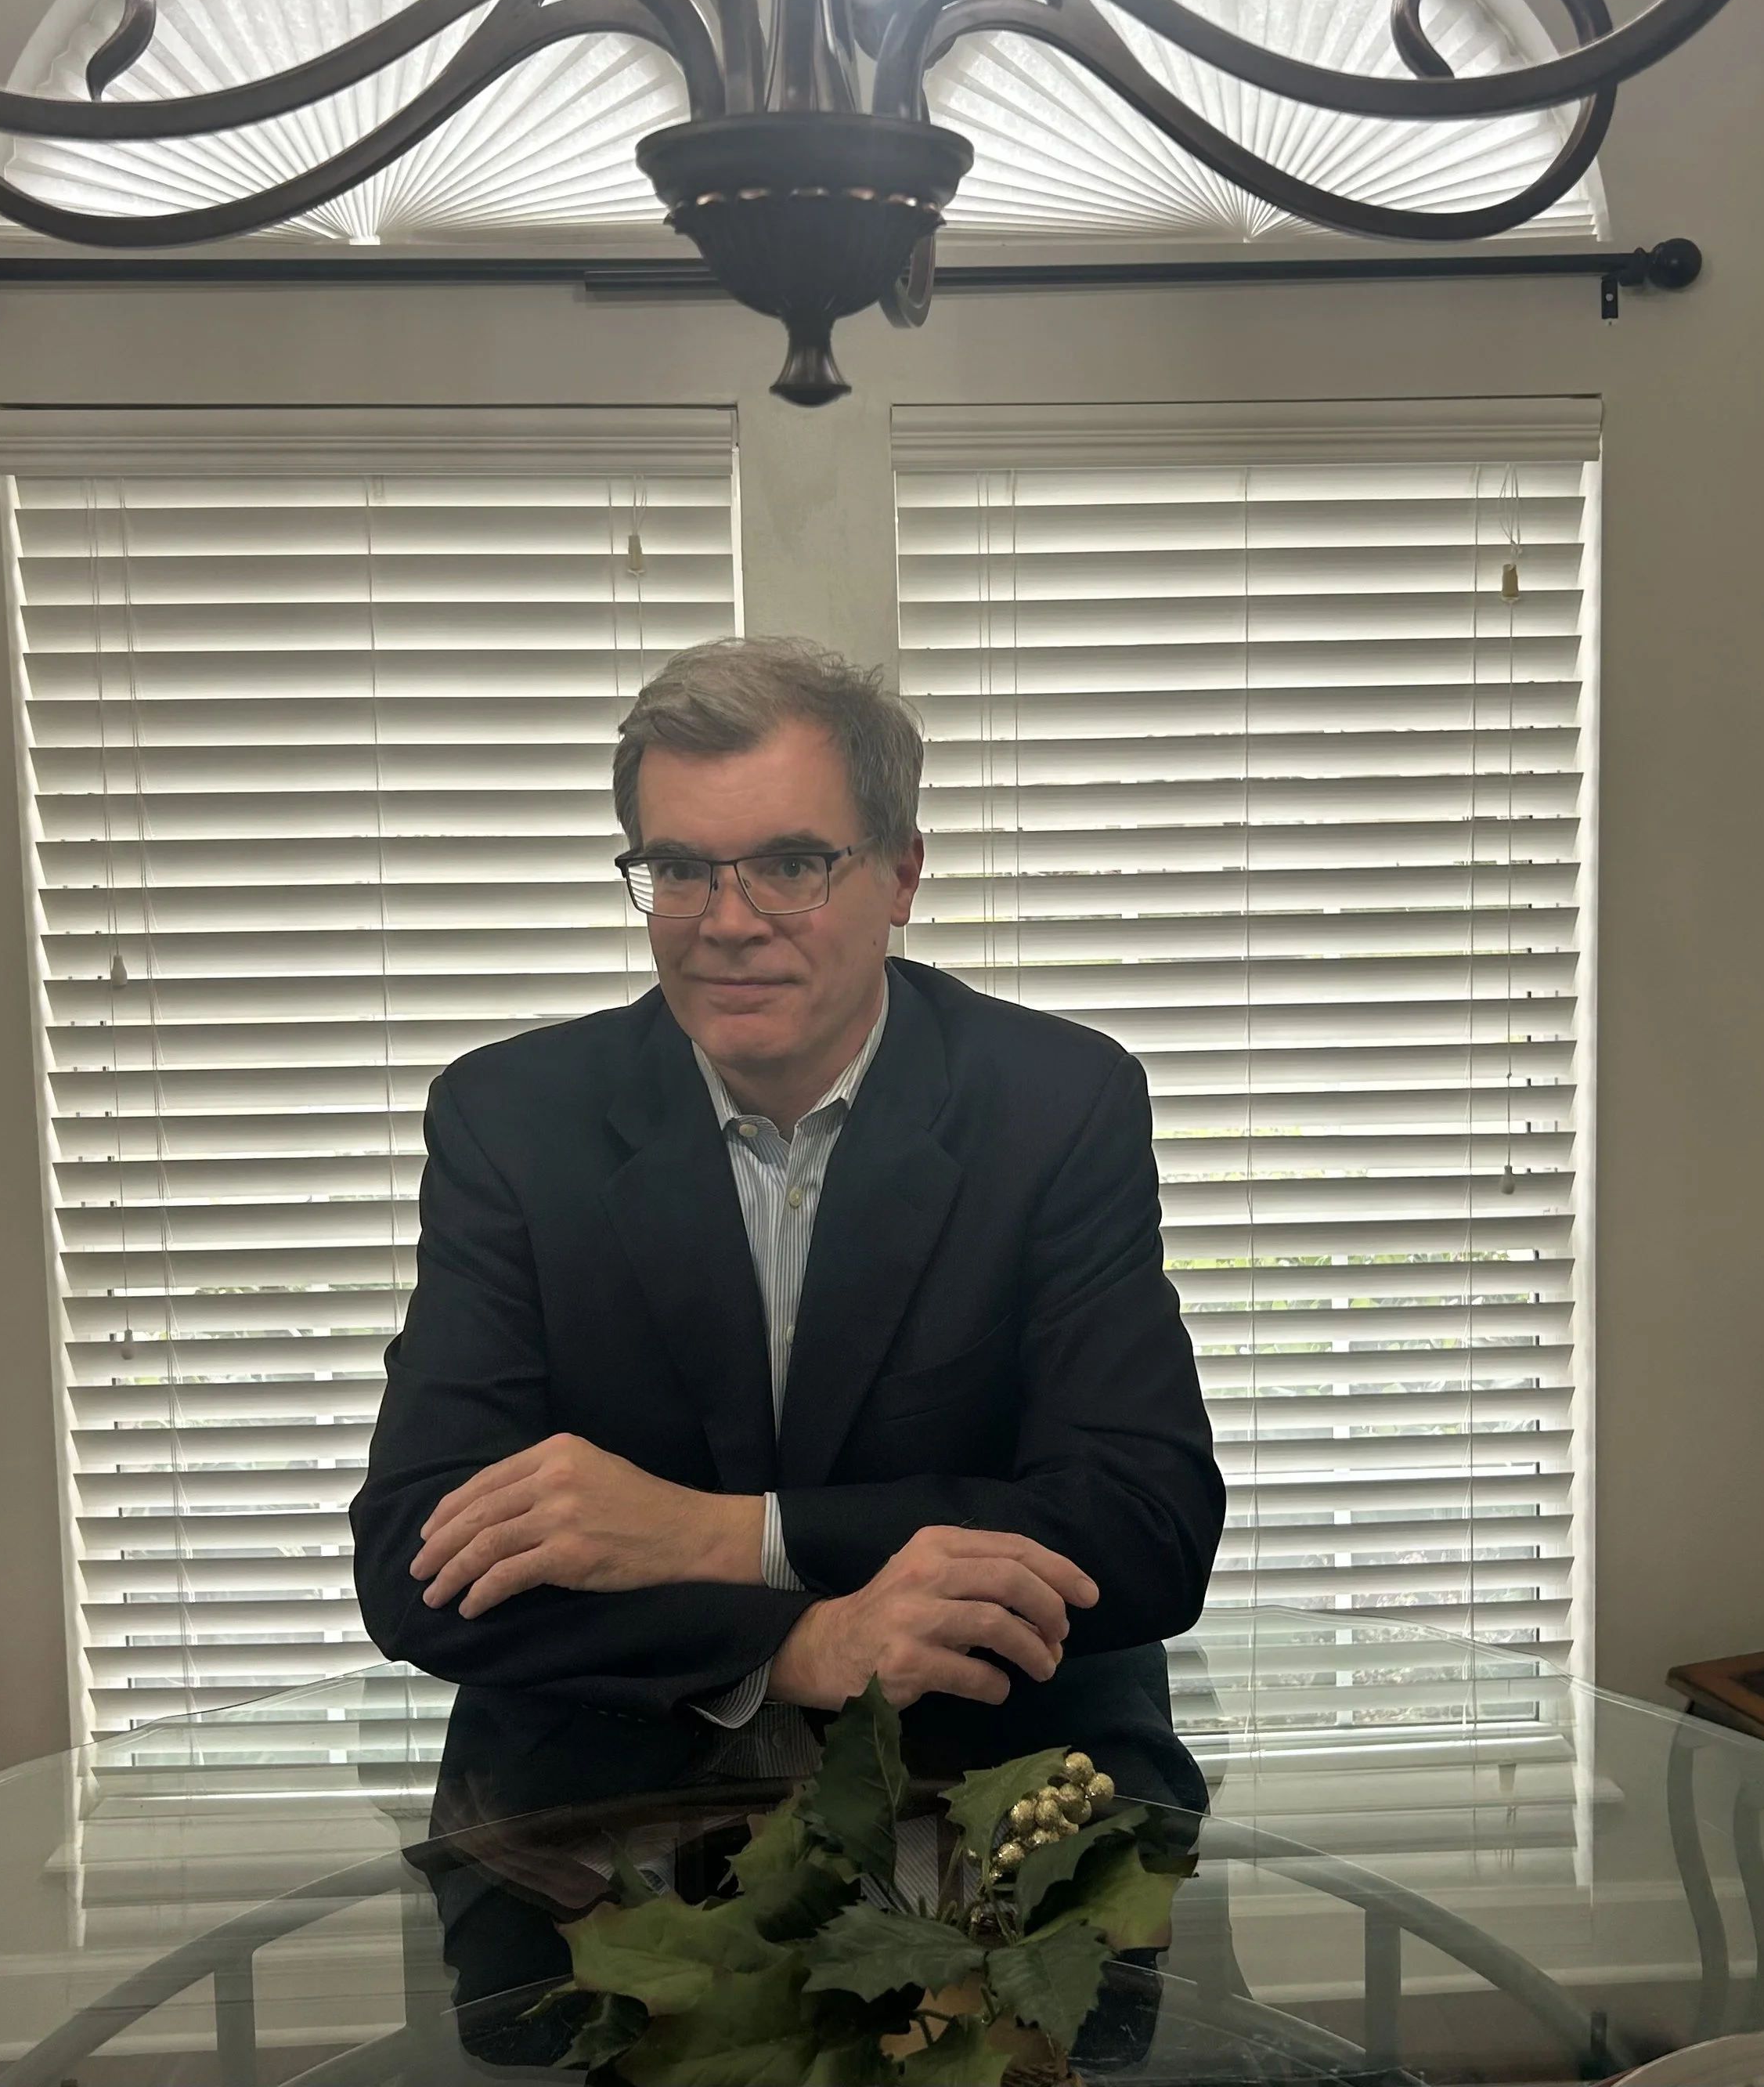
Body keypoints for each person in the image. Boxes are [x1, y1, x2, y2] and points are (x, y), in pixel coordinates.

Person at [351, 637, 1225, 2025]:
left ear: (902, 877)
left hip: (1001, 1807)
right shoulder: (511, 1125)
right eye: (680, 867)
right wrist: (791, 1644)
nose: (727, 916)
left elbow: (1144, 1527)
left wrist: (717, 1537)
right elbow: (418, 1563)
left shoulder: (1057, 1108)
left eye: (791, 863)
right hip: (603, 1830)